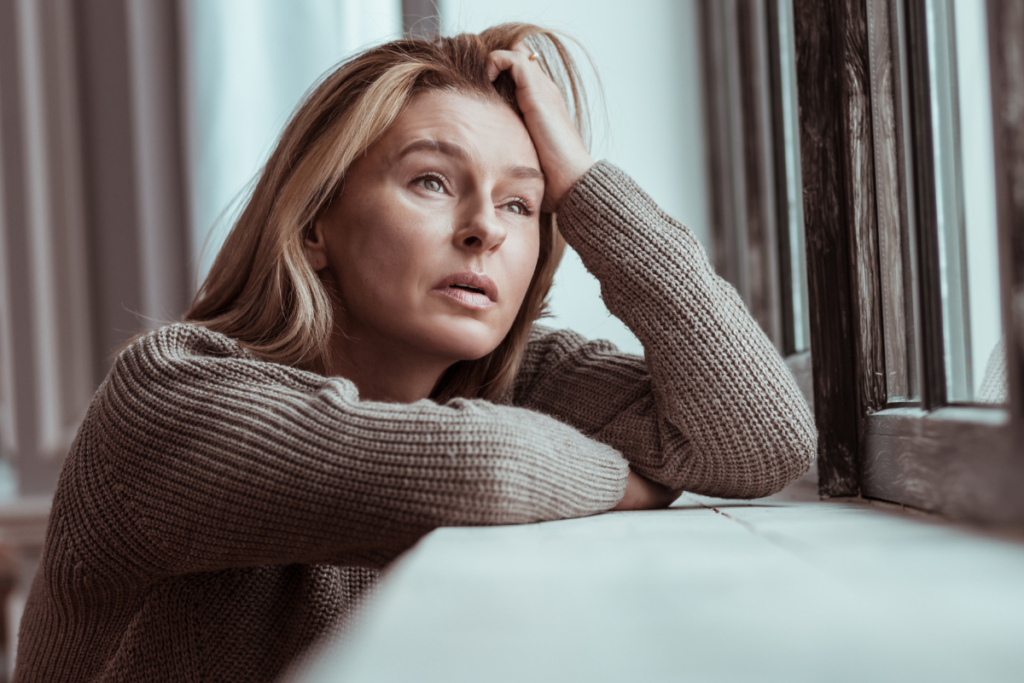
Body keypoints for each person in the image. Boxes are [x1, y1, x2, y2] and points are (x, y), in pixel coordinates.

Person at [13, 23, 816, 683]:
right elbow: (476, 467)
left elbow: (765, 438)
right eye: (431, 181)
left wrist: (584, 183)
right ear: (314, 225)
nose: (486, 229)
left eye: (521, 203)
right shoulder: (167, 396)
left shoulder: (524, 382)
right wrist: (634, 482)